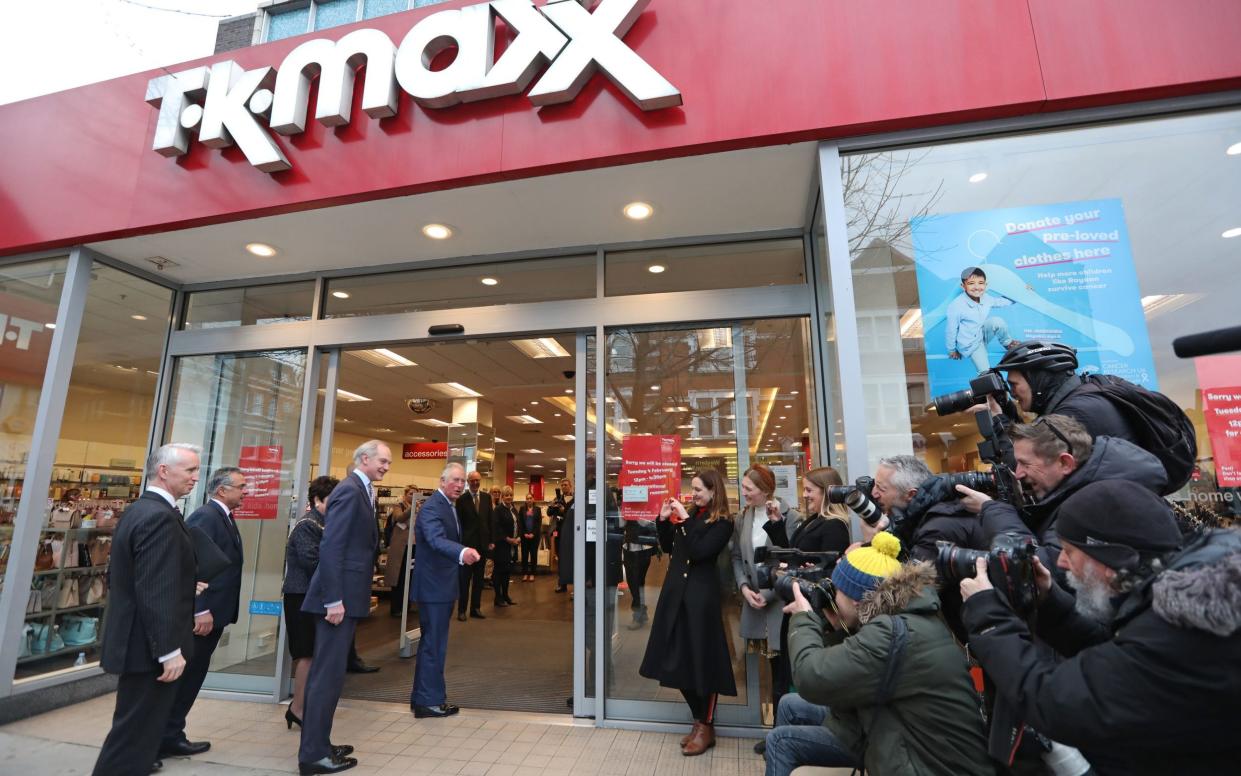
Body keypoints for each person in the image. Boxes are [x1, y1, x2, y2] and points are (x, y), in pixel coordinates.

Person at [960, 480, 1241, 775]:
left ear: (1109, 559)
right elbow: (1121, 655)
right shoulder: (1186, 592)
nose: (1061, 562)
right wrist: (1051, 605)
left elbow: (1055, 702)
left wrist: (988, 613)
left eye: (1069, 550)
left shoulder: (1180, 632)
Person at [766, 533, 992, 776]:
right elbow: (851, 676)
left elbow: (811, 678)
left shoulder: (890, 634)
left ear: (856, 600)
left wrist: (803, 618)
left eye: (837, 590)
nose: (833, 595)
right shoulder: (907, 618)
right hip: (910, 742)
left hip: (927, 764)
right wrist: (836, 626)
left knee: (781, 741)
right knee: (791, 705)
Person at [94, 443, 201, 776]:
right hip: (149, 649)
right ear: (164, 471)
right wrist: (169, 650)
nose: (196, 478)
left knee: (138, 735)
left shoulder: (143, 510)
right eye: (190, 470)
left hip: (141, 644)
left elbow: (136, 576)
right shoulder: (158, 516)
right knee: (132, 738)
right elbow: (155, 590)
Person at [956, 414, 1168, 572]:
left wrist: (992, 509)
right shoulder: (1085, 486)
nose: (1018, 473)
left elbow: (1046, 569)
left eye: (1024, 463)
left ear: (1065, 463)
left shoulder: (1096, 504)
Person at [297, 440, 391, 775]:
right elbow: (332, 546)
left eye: (388, 462)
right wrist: (333, 599)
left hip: (347, 596)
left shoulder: (361, 489)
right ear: (364, 459)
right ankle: (313, 755)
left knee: (332, 675)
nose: (386, 467)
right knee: (327, 676)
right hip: (337, 600)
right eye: (382, 461)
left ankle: (320, 743)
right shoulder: (351, 490)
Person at [638, 469, 736, 757]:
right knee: (675, 660)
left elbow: (700, 551)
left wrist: (683, 520)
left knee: (702, 661)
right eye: (692, 489)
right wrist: (663, 520)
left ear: (713, 491)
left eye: (698, 489)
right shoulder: (691, 515)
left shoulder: (723, 522)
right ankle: (698, 720)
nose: (693, 494)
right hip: (675, 596)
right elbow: (671, 547)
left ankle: (706, 725)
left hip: (700, 599)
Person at [160, 466, 248, 759]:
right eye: (241, 486)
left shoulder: (224, 517)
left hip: (217, 612)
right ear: (222, 490)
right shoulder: (206, 517)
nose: (245, 492)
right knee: (188, 675)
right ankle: (167, 735)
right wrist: (202, 609)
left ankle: (172, 732)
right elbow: (193, 565)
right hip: (203, 615)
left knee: (195, 675)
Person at [865, 454, 986, 641]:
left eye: (881, 488)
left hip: (976, 634)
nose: (873, 493)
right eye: (875, 484)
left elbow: (910, 591)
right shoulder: (926, 514)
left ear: (911, 495)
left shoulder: (938, 529)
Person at [731, 463, 805, 739]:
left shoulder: (790, 517)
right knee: (764, 668)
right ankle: (773, 730)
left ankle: (781, 733)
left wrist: (768, 592)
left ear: (765, 490)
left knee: (781, 672)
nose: (744, 492)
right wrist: (744, 587)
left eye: (748, 489)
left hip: (780, 604)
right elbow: (738, 556)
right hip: (754, 601)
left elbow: (790, 561)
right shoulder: (743, 517)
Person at [409, 462, 482, 717]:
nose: (460, 485)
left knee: (432, 643)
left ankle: (422, 697)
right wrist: (462, 552)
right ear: (442, 481)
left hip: (439, 587)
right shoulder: (432, 508)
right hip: (434, 588)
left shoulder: (447, 506)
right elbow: (436, 540)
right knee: (434, 644)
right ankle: (429, 701)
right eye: (455, 480)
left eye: (462, 481)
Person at [282, 476, 338, 730]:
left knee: (313, 654)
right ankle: (297, 708)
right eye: (331, 501)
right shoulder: (308, 525)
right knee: (306, 655)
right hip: (301, 597)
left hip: (312, 597)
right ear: (317, 500)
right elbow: (312, 562)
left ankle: (304, 707)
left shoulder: (325, 522)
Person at [994, 340, 1134, 441]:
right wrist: (1006, 407)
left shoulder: (1073, 414)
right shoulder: (1085, 393)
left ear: (1039, 380)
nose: (1011, 392)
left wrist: (997, 418)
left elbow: (1030, 470)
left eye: (1013, 384)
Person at [945, 265, 1019, 372]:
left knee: (997, 321)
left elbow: (999, 302)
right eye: (971, 283)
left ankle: (1007, 343)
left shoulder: (986, 298)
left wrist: (1017, 296)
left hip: (981, 333)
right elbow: (951, 329)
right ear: (963, 286)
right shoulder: (956, 306)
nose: (976, 287)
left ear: (985, 284)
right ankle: (990, 385)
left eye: (980, 283)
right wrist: (951, 350)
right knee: (985, 371)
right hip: (971, 343)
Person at [455, 470, 492, 621]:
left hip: (482, 545)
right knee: (464, 580)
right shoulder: (461, 499)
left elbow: (490, 520)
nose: (475, 483)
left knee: (478, 580)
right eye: (473, 481)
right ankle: (461, 610)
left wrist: (491, 541)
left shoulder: (486, 497)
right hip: (467, 546)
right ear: (468, 482)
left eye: (478, 480)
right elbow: (458, 523)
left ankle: (475, 608)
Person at [384, 486, 415, 617]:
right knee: (399, 577)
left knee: (410, 577)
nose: (413, 496)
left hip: (413, 547)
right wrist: (411, 508)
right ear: (405, 494)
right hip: (400, 548)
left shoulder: (417, 508)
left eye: (415, 494)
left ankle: (406, 606)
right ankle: (396, 608)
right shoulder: (399, 506)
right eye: (411, 493)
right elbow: (399, 518)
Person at [621, 517, 658, 628]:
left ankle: (638, 615)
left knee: (636, 582)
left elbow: (648, 523)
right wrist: (624, 513)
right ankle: (641, 612)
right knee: (633, 582)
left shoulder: (646, 505)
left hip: (642, 549)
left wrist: (636, 514)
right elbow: (621, 524)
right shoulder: (626, 505)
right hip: (628, 547)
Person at [490, 487, 519, 607]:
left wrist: (518, 538)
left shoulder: (513, 509)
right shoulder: (498, 510)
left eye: (511, 495)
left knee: (507, 572)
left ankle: (506, 595)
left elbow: (518, 524)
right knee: (498, 572)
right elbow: (497, 529)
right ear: (502, 496)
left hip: (512, 546)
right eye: (507, 495)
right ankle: (498, 597)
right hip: (501, 546)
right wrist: (508, 539)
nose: (509, 497)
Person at [550, 478, 574, 593]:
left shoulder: (575, 499)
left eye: (566, 485)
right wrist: (553, 506)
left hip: (572, 532)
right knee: (561, 558)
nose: (564, 487)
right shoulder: (557, 499)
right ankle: (562, 584)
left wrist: (564, 510)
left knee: (574, 558)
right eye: (562, 485)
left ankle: (576, 585)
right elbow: (549, 513)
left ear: (571, 486)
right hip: (560, 533)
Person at [517, 497, 541, 581]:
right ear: (526, 500)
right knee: (524, 555)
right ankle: (525, 573)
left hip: (534, 537)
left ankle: (532, 574)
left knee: (533, 555)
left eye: (530, 498)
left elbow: (538, 523)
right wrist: (524, 533)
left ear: (533, 499)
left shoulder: (537, 509)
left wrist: (533, 534)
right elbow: (520, 523)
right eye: (527, 498)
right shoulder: (522, 509)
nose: (529, 500)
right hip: (524, 537)